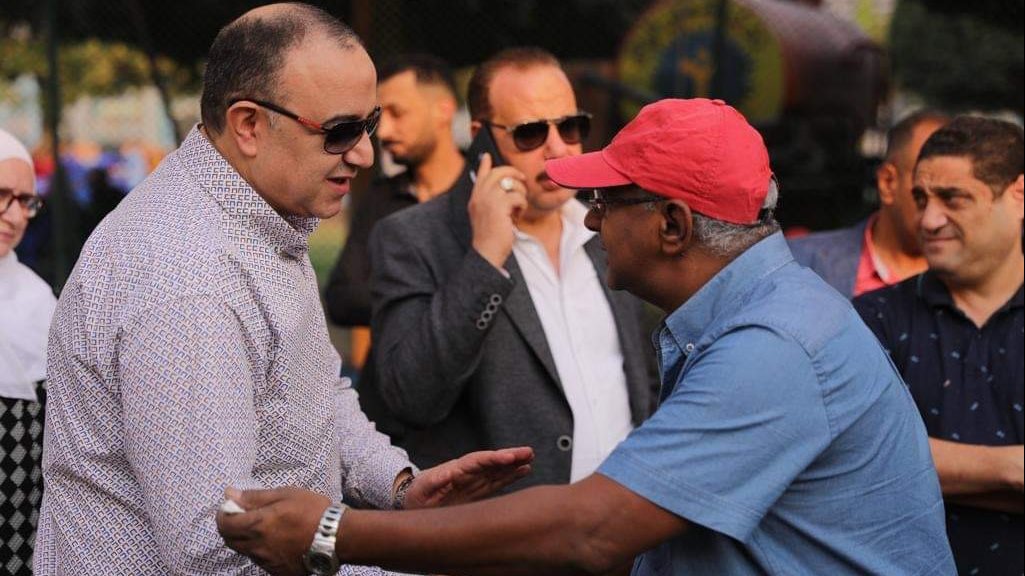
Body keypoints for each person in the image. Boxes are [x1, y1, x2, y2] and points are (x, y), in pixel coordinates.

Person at [219, 98, 955, 575]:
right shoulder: (752, 312)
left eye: (605, 199)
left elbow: (595, 530)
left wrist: (333, 533)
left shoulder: (773, 345)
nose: (592, 218)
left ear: (673, 225)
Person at [35, 5, 531, 575]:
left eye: (368, 124)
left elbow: (313, 395)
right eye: (340, 131)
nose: (366, 153)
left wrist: (399, 487)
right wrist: (395, 561)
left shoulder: (258, 215)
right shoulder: (188, 281)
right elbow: (216, 552)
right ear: (248, 125)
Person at [366, 46, 657, 485]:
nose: (557, 149)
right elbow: (411, 398)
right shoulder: (413, 238)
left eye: (571, 127)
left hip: (622, 510)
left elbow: (644, 376)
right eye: (530, 133)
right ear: (481, 137)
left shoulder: (605, 230)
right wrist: (484, 259)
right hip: (510, 521)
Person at [854, 115, 1023, 575]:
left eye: (953, 198)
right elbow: (859, 456)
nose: (928, 220)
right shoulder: (870, 319)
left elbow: (893, 460)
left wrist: (931, 469)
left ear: (1019, 195)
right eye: (921, 199)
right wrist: (1012, 469)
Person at [323, 53, 466, 431]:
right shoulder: (382, 198)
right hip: (385, 413)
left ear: (443, 110)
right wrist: (453, 299)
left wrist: (396, 295)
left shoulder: (482, 194)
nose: (383, 132)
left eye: (398, 114)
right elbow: (342, 297)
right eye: (379, 118)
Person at [789, 109, 949, 297]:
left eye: (956, 194)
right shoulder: (801, 264)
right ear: (888, 182)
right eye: (930, 187)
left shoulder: (972, 287)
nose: (942, 213)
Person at [0, 128, 54, 576]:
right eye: (2, 196)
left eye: (26, 201)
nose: (15, 216)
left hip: (23, 521)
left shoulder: (38, 299)